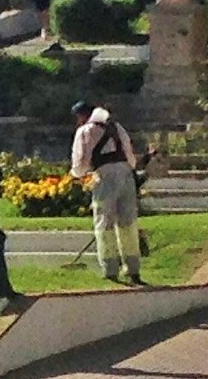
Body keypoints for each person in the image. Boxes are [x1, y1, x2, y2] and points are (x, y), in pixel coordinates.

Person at [70, 101, 145, 285]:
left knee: (104, 224)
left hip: (105, 177)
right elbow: (130, 155)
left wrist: (76, 175)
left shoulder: (85, 131)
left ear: (82, 116)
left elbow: (80, 163)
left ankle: (110, 268)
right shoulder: (117, 127)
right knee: (128, 223)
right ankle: (133, 269)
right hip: (126, 175)